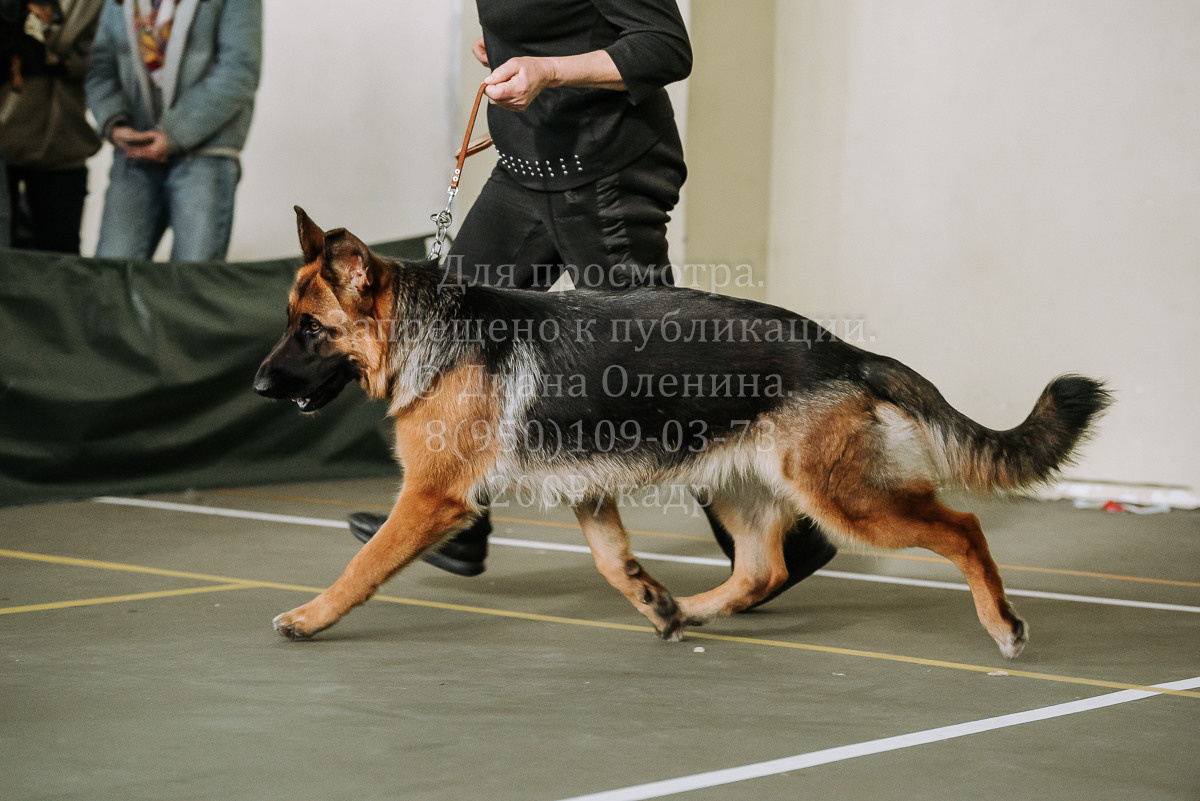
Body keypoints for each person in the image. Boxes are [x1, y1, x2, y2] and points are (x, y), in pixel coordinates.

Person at [348, 0, 836, 607]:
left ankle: (797, 541)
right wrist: (500, 38)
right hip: (526, 172)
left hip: (607, 172)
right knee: (451, 325)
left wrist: (548, 70)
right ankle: (456, 520)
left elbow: (666, 47)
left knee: (660, 364)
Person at [84, 0, 261, 261]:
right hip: (135, 155)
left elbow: (239, 71)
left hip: (206, 156)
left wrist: (174, 134)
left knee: (192, 282)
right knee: (111, 277)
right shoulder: (117, 3)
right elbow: (99, 69)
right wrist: (114, 122)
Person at [0, 0, 104, 253]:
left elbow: (109, 56)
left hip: (63, 142)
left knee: (61, 257)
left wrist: (59, 61)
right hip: (6, 137)